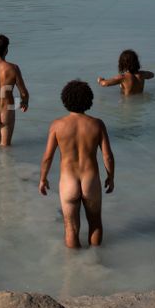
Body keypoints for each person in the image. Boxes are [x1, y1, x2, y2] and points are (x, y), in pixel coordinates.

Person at [38, 80, 114, 248]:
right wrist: (111, 176)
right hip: (91, 180)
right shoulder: (97, 124)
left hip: (68, 181)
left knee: (71, 228)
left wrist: (42, 179)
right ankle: (95, 262)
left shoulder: (57, 125)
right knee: (95, 223)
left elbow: (47, 157)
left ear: (65, 100)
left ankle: (75, 268)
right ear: (89, 100)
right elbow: (107, 156)